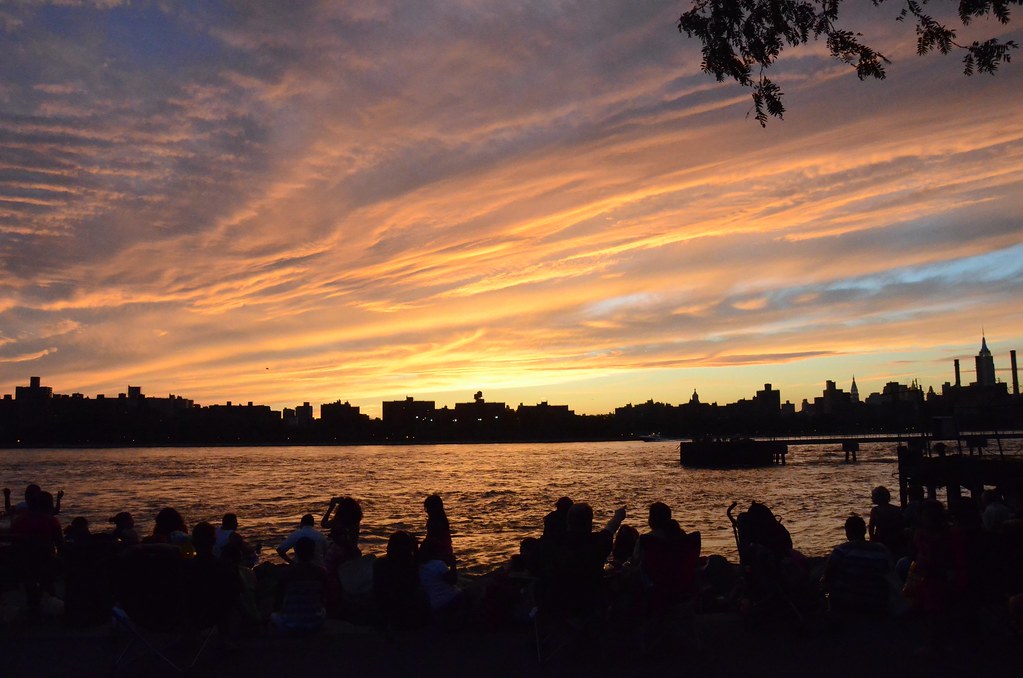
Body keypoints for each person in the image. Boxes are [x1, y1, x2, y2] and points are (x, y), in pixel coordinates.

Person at [536, 502, 626, 619]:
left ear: (568, 521)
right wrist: (618, 516)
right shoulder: (597, 543)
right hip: (589, 603)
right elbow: (611, 528)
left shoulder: (552, 545)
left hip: (557, 602)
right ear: (590, 522)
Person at [820, 515, 894, 615]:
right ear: (864, 531)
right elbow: (890, 572)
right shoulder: (881, 550)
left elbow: (828, 576)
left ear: (847, 533)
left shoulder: (841, 550)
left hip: (849, 603)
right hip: (877, 601)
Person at [271, 537, 328, 635]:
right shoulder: (321, 572)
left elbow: (278, 600)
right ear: (313, 552)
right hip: (314, 623)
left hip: (289, 624)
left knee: (273, 616)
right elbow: (323, 598)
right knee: (324, 611)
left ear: (296, 552)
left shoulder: (286, 573)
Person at [373, 531, 428, 630]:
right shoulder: (407, 566)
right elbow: (414, 583)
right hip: (402, 607)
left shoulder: (380, 563)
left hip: (383, 606)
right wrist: (416, 551)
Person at [320, 496, 363, 571]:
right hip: (353, 552)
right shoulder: (356, 521)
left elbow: (324, 524)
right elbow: (350, 506)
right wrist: (344, 502)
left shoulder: (338, 520)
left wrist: (331, 507)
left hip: (338, 553)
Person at [869, 486, 906, 556]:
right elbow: (902, 525)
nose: (871, 498)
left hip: (881, 540)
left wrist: (872, 543)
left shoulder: (875, 511)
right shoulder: (897, 509)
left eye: (873, 496)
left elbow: (871, 530)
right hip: (896, 541)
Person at [422, 494, 455, 567]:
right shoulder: (441, 520)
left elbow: (432, 542)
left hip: (440, 554)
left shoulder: (436, 523)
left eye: (427, 508)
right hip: (444, 553)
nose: (426, 511)